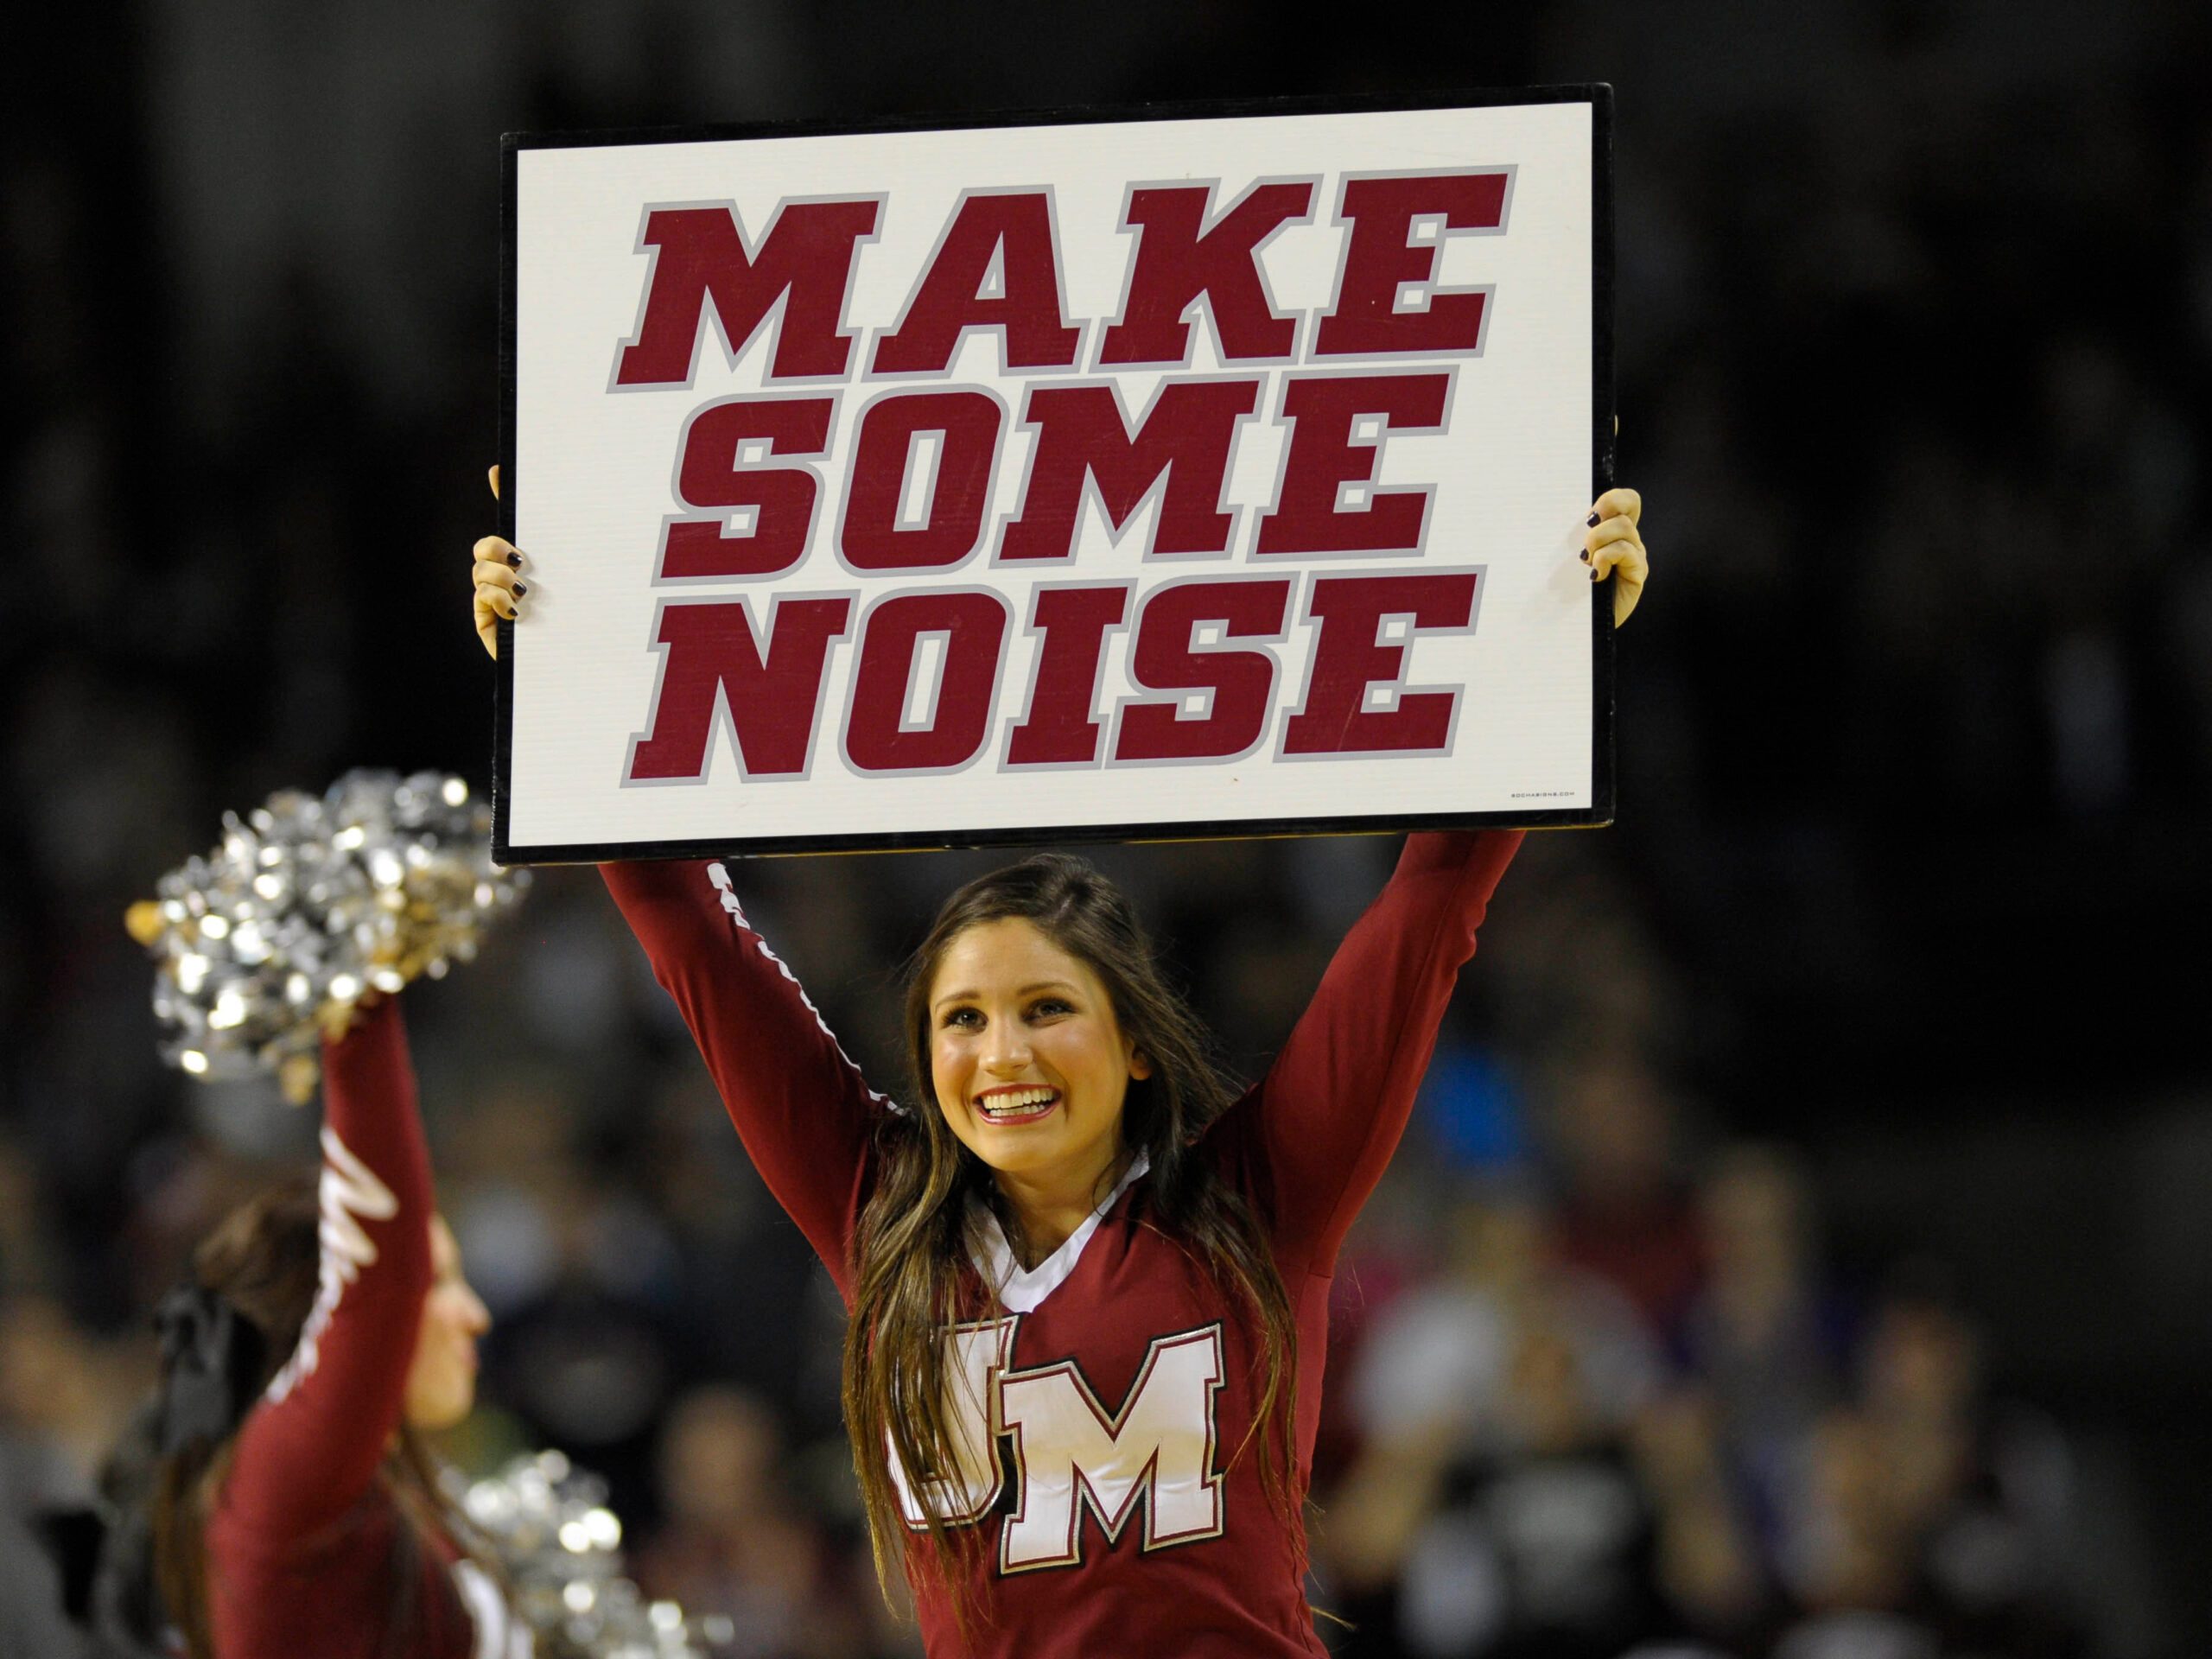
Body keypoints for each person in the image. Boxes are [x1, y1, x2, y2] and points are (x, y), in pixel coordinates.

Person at [471, 478, 1649, 1656]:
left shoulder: (1256, 1201)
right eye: (963, 1021)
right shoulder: (881, 1219)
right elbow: (692, 938)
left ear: (1135, 1042)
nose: (1004, 1055)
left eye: (1046, 1009)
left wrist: (1550, 630)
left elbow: (1431, 909)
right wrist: (565, 644)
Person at [81, 995, 518, 1659]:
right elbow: (384, 1278)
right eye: (440, 1284)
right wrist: (357, 998)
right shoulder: (280, 1490)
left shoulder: (386, 1498)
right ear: (324, 1324)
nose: (476, 1315)